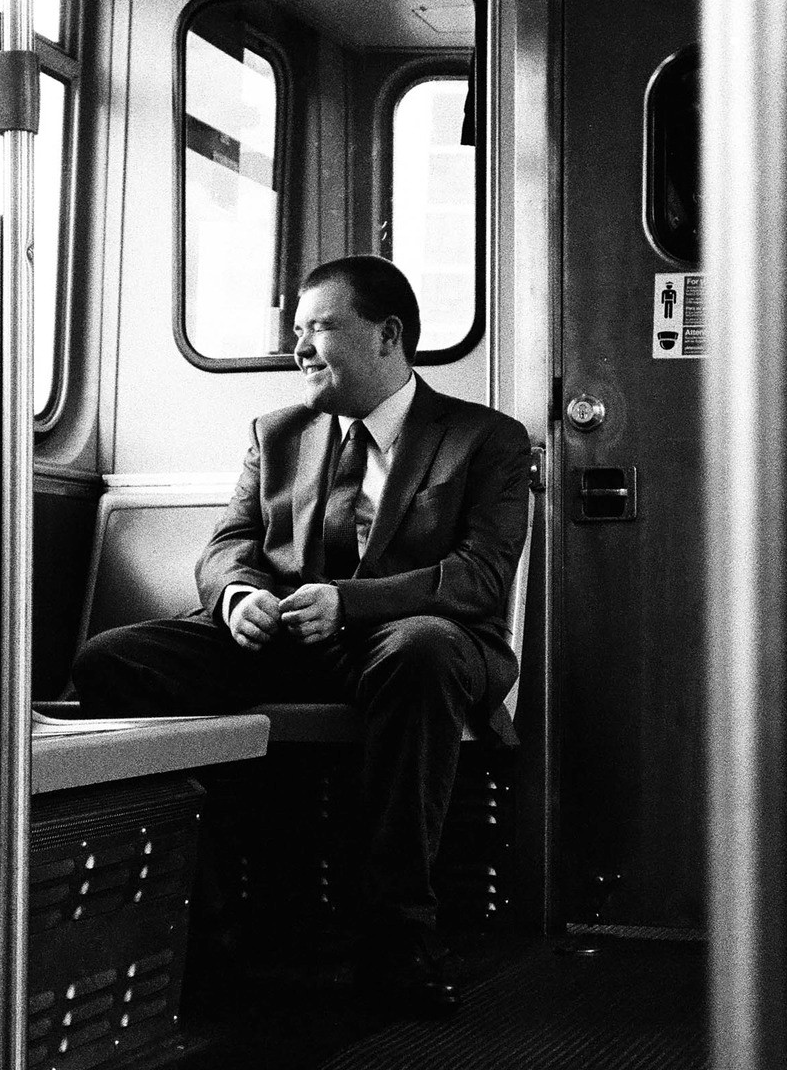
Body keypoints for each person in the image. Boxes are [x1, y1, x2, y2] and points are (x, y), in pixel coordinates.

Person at [71, 255, 531, 1015]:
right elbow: (230, 544)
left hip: (406, 643)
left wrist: (348, 604)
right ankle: (211, 919)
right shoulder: (277, 432)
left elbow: (479, 577)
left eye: (319, 329)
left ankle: (397, 936)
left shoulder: (484, 439)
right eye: (296, 333)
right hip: (284, 637)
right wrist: (237, 598)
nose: (300, 350)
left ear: (387, 336)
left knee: (420, 651)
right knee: (113, 662)